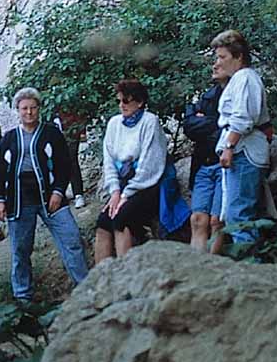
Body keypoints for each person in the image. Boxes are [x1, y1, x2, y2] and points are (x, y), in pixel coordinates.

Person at [0, 87, 88, 302]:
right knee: (21, 250)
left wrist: (58, 192)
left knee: (71, 239)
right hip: (19, 199)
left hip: (50, 197)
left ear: (39, 109)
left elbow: (65, 165)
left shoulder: (51, 133)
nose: (29, 113)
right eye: (24, 108)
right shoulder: (9, 138)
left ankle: (85, 288)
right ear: (17, 110)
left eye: (33, 108)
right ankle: (23, 298)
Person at [95, 79, 167, 263]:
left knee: (121, 218)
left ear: (139, 102)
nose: (121, 105)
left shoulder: (150, 122)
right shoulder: (114, 124)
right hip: (121, 183)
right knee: (103, 222)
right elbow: (109, 161)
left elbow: (149, 166)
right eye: (119, 101)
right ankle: (99, 280)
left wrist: (126, 195)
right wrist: (115, 192)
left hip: (145, 185)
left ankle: (125, 277)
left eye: (126, 101)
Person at [212, 30, 271, 245]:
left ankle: (250, 268)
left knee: (239, 214)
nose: (218, 62)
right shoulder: (239, 79)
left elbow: (243, 117)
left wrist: (229, 146)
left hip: (244, 151)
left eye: (223, 57)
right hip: (242, 149)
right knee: (236, 212)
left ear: (238, 56)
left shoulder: (245, 78)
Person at [184, 63, 227, 254]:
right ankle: (197, 268)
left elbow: (233, 127)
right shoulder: (208, 96)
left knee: (217, 221)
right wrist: (215, 124)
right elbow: (189, 125)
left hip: (225, 164)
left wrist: (204, 123)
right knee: (197, 220)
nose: (215, 64)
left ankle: (212, 269)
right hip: (203, 163)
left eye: (221, 58)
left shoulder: (238, 92)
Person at [53, 107, 87, 209]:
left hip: (71, 126)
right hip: (54, 127)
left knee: (71, 159)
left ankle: (78, 194)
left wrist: (82, 130)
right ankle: (60, 192)